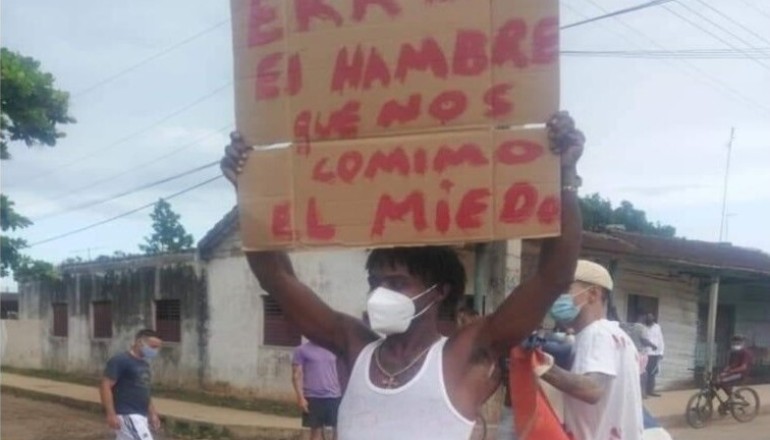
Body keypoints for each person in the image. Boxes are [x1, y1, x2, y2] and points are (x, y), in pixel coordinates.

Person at [220, 111, 585, 439]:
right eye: (375, 283)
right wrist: (249, 190)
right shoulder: (354, 345)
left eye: (396, 283)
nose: (380, 293)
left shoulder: (464, 353)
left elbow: (552, 277)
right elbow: (279, 280)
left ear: (439, 292)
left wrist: (565, 177)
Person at [538, 260, 644, 440]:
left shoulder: (596, 334)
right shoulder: (619, 336)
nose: (556, 298)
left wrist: (540, 364)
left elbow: (592, 389)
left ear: (593, 294)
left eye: (564, 291)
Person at [99, 329, 163, 440]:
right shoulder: (121, 360)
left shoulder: (144, 365)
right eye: (153, 347)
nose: (155, 351)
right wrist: (110, 413)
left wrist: (152, 413)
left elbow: (144, 391)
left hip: (140, 415)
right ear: (140, 342)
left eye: (157, 348)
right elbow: (105, 386)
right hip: (127, 415)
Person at [292, 339, 343, 440]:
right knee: (316, 433)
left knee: (339, 431)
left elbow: (342, 370)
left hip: (334, 396)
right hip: (313, 397)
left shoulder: (335, 348)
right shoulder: (301, 350)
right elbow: (296, 375)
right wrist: (300, 397)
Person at [643, 313, 665, 397]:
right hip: (645, 354)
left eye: (651, 317)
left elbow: (661, 340)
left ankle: (651, 391)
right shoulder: (643, 327)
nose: (649, 319)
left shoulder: (657, 327)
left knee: (652, 373)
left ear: (653, 318)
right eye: (648, 317)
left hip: (654, 354)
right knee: (644, 373)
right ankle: (643, 392)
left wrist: (661, 352)